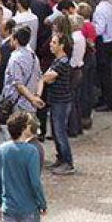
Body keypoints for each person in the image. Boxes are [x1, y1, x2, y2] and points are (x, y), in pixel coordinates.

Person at [43, 32, 75, 175]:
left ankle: (67, 162)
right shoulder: (56, 61)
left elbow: (47, 78)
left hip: (61, 102)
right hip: (56, 100)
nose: (51, 44)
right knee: (56, 132)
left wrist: (46, 77)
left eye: (54, 42)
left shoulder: (62, 62)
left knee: (60, 132)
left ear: (61, 46)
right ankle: (60, 158)